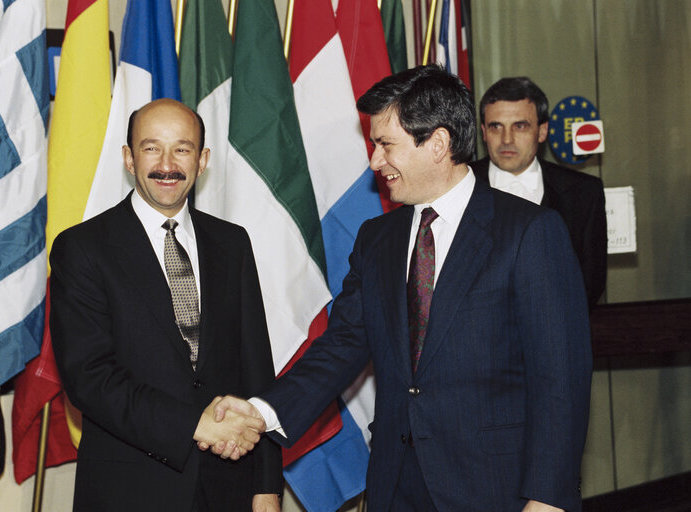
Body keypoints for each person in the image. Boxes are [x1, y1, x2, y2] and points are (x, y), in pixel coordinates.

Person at [209, 65, 592, 512]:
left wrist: (548, 498)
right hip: (396, 486)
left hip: (495, 488)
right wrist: (263, 412)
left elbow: (560, 380)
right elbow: (342, 346)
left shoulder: (529, 232)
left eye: (385, 145)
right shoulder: (377, 239)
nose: (374, 161)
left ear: (439, 144)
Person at [50, 98, 282, 512]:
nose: (167, 164)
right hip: (129, 488)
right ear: (128, 157)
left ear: (203, 159)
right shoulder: (83, 248)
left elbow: (257, 369)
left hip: (227, 486)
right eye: (151, 147)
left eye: (182, 148)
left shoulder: (232, 243)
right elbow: (89, 378)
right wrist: (194, 424)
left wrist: (267, 485)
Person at [470, 77, 607, 307]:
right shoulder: (456, 186)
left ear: (542, 131)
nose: (507, 139)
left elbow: (590, 285)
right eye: (496, 127)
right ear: (483, 132)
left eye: (519, 126)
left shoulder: (584, 193)